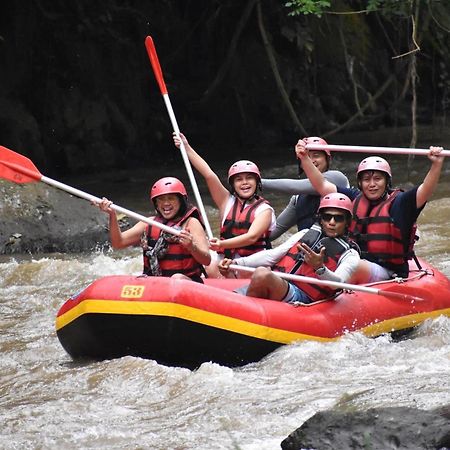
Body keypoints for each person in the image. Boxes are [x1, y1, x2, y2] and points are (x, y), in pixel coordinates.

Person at [295, 142, 445, 281]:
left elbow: (425, 190)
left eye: (378, 179)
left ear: (387, 182)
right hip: (352, 259)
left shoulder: (400, 204)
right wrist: (304, 159)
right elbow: (321, 185)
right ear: (360, 183)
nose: (372, 184)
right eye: (366, 179)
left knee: (354, 265)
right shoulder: (354, 197)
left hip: (388, 271)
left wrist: (436, 164)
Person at [218, 193, 360, 303]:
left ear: (347, 222)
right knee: (257, 277)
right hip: (283, 283)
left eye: (338, 218)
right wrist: (236, 263)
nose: (332, 222)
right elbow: (272, 255)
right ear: (321, 219)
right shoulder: (305, 234)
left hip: (305, 297)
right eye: (327, 217)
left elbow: (338, 284)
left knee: (262, 274)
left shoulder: (350, 254)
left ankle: (246, 314)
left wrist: (320, 268)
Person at [173, 133, 276, 277]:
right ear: (233, 185)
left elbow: (252, 237)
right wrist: (187, 147)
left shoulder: (264, 210)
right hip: (225, 261)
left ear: (257, 182)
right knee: (208, 264)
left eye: (249, 178)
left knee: (245, 271)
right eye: (239, 179)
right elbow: (209, 175)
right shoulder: (226, 201)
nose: (245, 182)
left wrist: (221, 245)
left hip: (253, 263)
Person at [94, 177, 211, 282]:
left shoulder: (191, 223)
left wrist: (191, 246)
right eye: (161, 199)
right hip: (156, 285)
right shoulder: (148, 223)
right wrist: (112, 215)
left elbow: (206, 260)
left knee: (177, 279)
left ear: (181, 200)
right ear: (155, 203)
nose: (166, 203)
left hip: (186, 283)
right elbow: (118, 243)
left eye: (171, 198)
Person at [261, 137, 350, 240]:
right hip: (308, 250)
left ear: (328, 159)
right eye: (306, 157)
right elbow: (275, 231)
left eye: (316, 156)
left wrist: (258, 182)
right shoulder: (298, 198)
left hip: (336, 249)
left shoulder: (338, 178)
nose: (311, 161)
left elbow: (295, 186)